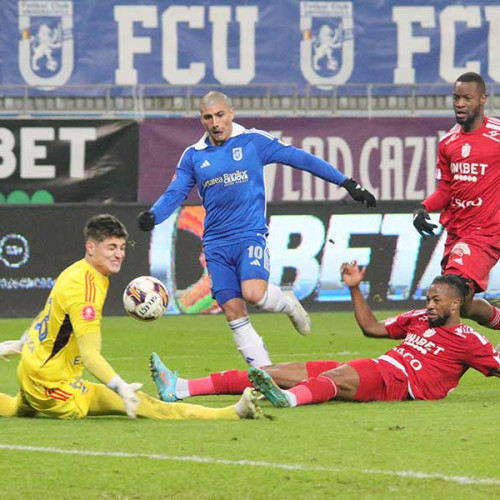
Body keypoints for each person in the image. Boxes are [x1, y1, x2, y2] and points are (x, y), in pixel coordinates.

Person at [138, 90, 376, 367]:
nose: (215, 123)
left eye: (219, 115)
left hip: (249, 235)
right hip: (215, 244)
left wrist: (346, 183)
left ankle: (286, 302)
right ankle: (267, 376)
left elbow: (300, 158)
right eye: (207, 117)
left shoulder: (253, 141)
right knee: (232, 311)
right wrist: (154, 216)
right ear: (201, 119)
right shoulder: (193, 155)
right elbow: (175, 192)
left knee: (253, 294)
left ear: (231, 113)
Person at [0, 214, 258, 420]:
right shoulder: (85, 289)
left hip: (33, 370)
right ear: (90, 247)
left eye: (122, 247)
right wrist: (120, 386)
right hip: (53, 386)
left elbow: (48, 316)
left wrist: (22, 343)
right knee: (147, 405)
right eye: (111, 247)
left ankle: (232, 412)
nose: (118, 254)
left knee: (14, 408)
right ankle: (232, 413)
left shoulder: (75, 272)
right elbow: (90, 355)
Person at [149, 262, 500, 407]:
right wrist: (355, 289)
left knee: (338, 375)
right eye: (428, 298)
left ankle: (288, 400)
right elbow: (372, 328)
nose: (429, 304)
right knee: (277, 371)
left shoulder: (471, 341)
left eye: (436, 300)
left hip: (400, 384)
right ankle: (180, 387)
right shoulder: (418, 318)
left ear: (456, 306)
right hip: (382, 368)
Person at [412, 71, 500, 351]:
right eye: (456, 98)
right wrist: (423, 208)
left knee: (449, 294)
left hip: (485, 232)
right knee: (467, 303)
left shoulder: (497, 136)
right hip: (456, 233)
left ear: (483, 99)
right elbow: (445, 189)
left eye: (467, 98)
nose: (460, 103)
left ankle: (445, 355)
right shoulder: (448, 142)